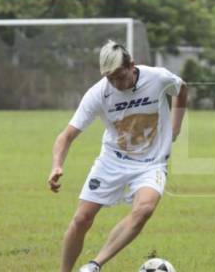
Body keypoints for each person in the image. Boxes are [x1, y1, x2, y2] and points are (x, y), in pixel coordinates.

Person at [48, 41, 187, 272]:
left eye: (120, 77)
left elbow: (182, 89)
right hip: (113, 161)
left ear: (132, 66)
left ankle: (94, 265)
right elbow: (66, 136)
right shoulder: (98, 93)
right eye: (110, 79)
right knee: (82, 218)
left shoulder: (158, 78)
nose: (116, 84)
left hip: (151, 163)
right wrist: (56, 166)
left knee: (144, 209)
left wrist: (176, 127)